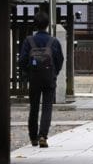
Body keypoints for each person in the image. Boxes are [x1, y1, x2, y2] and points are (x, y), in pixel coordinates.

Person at [18, 10, 64, 148]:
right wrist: (54, 73)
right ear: (47, 24)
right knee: (47, 107)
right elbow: (60, 60)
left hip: (34, 78)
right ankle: (43, 135)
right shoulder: (53, 41)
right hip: (49, 77)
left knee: (34, 107)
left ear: (35, 24)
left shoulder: (29, 41)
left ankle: (33, 137)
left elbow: (22, 60)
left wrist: (28, 73)